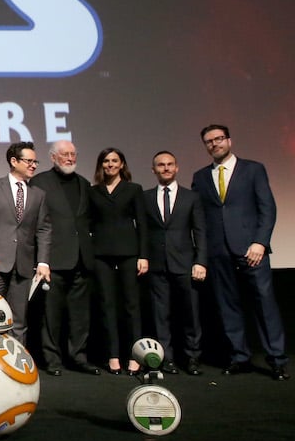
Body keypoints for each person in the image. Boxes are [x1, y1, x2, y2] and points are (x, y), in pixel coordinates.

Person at [192, 124, 288, 380]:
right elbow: (199, 217)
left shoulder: (253, 169)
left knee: (265, 305)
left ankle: (277, 359)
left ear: (229, 141)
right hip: (218, 251)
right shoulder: (200, 177)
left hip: (251, 250)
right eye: (209, 141)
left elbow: (268, 208)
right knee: (227, 306)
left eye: (219, 139)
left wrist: (260, 242)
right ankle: (240, 356)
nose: (214, 144)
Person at [31, 140, 100, 376]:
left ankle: (78, 357)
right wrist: (41, 259)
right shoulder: (40, 182)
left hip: (81, 258)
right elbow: (36, 222)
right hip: (54, 258)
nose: (70, 158)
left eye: (73, 154)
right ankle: (52, 360)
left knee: (81, 315)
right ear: (52, 157)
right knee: (51, 315)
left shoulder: (83, 183)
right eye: (64, 154)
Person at [0, 141, 51, 346]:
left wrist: (43, 262)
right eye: (29, 161)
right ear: (14, 161)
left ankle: (18, 367)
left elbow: (43, 229)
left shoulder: (38, 194)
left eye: (36, 162)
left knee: (18, 321)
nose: (33, 165)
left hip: (24, 265)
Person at [141, 151, 207, 376]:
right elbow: (142, 231)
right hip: (157, 266)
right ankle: (166, 359)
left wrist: (201, 261)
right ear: (154, 170)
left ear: (177, 168)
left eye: (170, 164)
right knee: (161, 316)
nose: (166, 168)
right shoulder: (146, 197)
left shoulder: (192, 197)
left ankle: (192, 358)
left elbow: (200, 232)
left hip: (186, 264)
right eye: (161, 165)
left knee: (191, 314)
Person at [89, 147, 148, 375]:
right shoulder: (94, 191)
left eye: (114, 161)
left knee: (132, 306)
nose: (110, 164)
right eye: (106, 161)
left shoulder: (134, 189)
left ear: (122, 164)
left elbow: (142, 224)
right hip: (101, 253)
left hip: (129, 253)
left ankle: (135, 356)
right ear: (101, 165)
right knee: (106, 305)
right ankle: (112, 355)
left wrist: (143, 255)